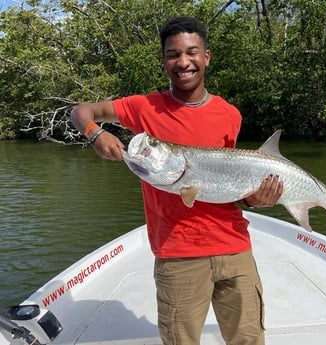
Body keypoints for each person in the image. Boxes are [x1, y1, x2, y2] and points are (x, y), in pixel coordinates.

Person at [71, 16, 283, 345]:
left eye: (191, 52)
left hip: (236, 249)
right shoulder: (144, 107)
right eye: (173, 54)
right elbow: (81, 110)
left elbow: (228, 188)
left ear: (206, 57)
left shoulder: (230, 114)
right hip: (178, 255)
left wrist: (254, 199)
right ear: (164, 61)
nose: (183, 62)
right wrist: (94, 133)